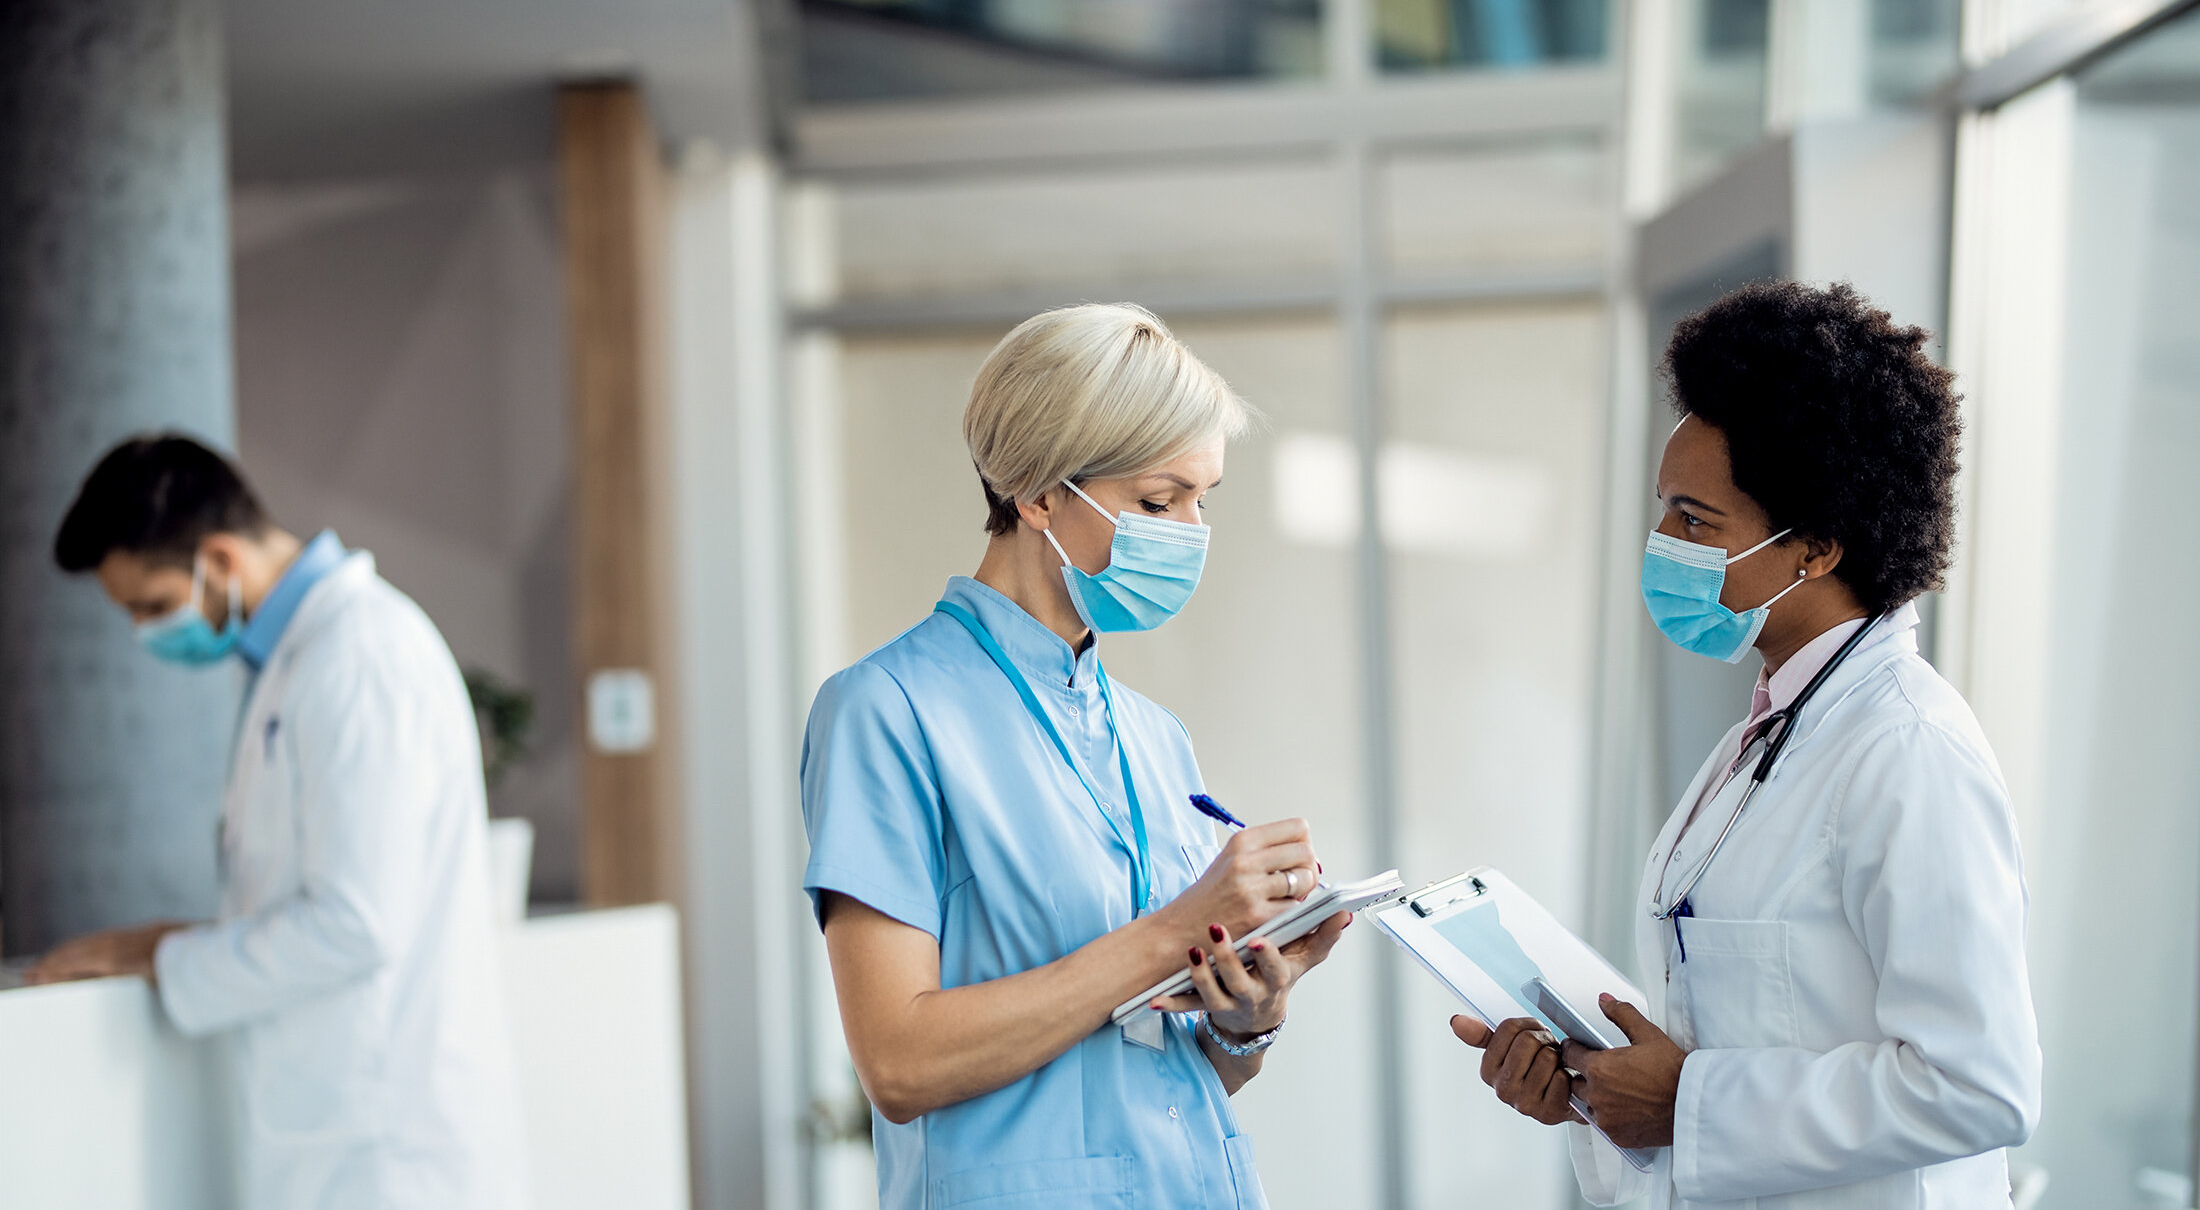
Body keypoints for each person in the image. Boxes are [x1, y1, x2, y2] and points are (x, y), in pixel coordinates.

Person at [1453, 282, 2041, 1207]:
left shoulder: (1908, 752)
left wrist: (1691, 1101)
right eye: (1663, 510)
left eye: (1695, 520)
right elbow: (1734, 1031)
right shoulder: (1764, 735)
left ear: (1816, 547)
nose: (1661, 542)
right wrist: (1595, 1090)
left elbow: (1980, 1085)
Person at [802, 303, 1346, 1209]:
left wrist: (1248, 1014)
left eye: (1202, 500)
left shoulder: (1153, 734)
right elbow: (896, 1062)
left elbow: (1174, 1065)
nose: (1189, 531)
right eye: (1158, 501)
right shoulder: (885, 710)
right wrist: (1173, 928)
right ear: (1040, 490)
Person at [29, 435, 526, 1210]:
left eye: (153, 606)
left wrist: (168, 954)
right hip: (339, 1146)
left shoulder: (358, 655)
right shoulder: (294, 665)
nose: (145, 634)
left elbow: (358, 922)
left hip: (390, 1159)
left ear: (221, 559)